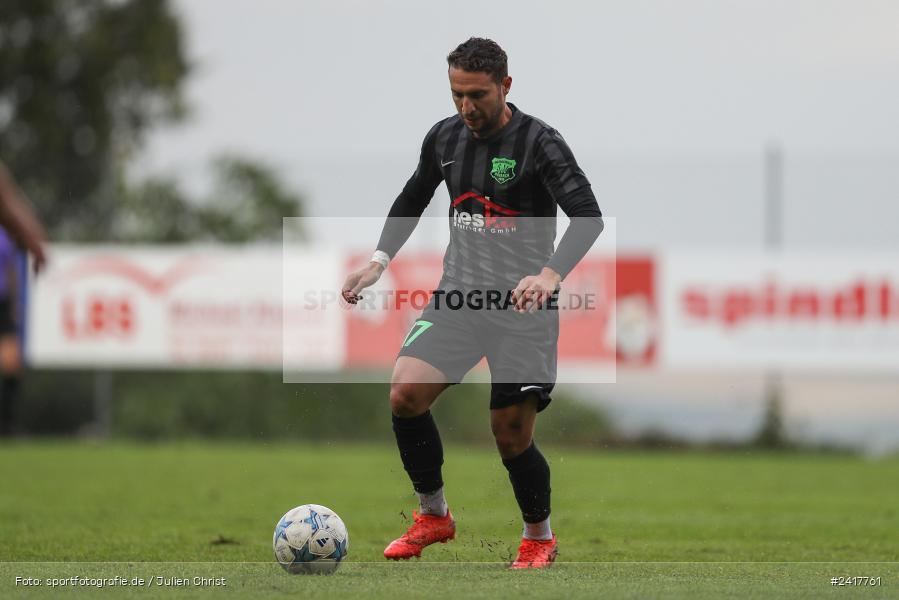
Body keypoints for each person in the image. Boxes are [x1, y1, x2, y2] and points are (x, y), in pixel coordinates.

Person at [342, 38, 603, 569]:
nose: (466, 107)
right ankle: (434, 515)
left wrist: (550, 274)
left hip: (522, 312)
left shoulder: (539, 143)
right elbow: (413, 194)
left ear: (505, 86)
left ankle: (538, 538)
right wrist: (378, 260)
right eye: (457, 94)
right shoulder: (444, 138)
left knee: (510, 434)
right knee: (405, 393)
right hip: (458, 298)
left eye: (477, 95)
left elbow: (588, 216)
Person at [0, 161, 48, 437]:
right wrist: (35, 244)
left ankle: (6, 426)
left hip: (2, 298)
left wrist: (34, 243)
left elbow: (13, 209)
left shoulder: (4, 234)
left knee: (10, 360)